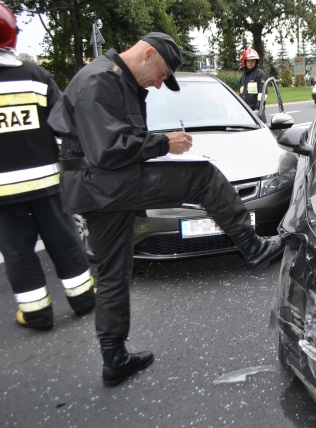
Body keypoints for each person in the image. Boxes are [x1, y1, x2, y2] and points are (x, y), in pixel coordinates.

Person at [47, 32, 283, 387]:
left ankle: (114, 357)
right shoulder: (100, 79)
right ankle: (252, 247)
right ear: (148, 54)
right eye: (161, 75)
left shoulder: (115, 78)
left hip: (96, 189)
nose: (159, 84)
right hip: (106, 181)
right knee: (202, 176)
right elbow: (108, 149)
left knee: (114, 273)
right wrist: (164, 142)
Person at [0, 3, 93, 331]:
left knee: (17, 251)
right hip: (45, 182)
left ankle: (37, 314)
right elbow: (63, 124)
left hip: (3, 193)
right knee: (63, 238)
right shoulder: (36, 77)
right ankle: (83, 299)